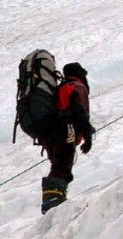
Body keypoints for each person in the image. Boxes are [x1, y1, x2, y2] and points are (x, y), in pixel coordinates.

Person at [39, 62, 93, 214]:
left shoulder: (61, 88)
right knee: (62, 167)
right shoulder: (77, 87)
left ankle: (52, 202)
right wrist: (87, 136)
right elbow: (79, 111)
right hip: (65, 132)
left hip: (52, 134)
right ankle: (54, 204)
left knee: (58, 166)